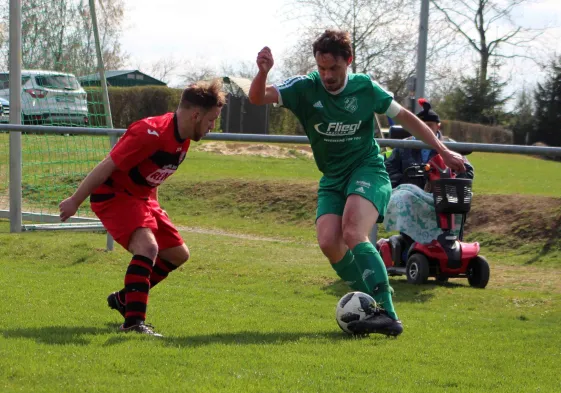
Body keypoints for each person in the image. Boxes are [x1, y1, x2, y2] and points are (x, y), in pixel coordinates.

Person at [249, 29, 467, 337]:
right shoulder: (304, 88)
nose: (327, 75)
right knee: (328, 241)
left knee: (352, 231)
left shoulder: (365, 88)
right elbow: (257, 97)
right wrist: (262, 72)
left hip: (368, 171)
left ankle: (387, 314)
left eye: (334, 68)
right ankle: (371, 305)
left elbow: (406, 117)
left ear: (348, 61)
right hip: (333, 179)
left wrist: (442, 149)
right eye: (321, 68)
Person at [59, 79, 226, 337]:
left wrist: (154, 205)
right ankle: (133, 323)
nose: (212, 127)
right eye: (211, 120)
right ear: (195, 115)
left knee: (178, 254)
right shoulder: (150, 132)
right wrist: (74, 200)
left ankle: (125, 299)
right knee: (148, 248)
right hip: (114, 195)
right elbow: (107, 165)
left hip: (140, 198)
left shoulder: (183, 138)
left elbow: (154, 172)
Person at [383, 99, 475, 261]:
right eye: (421, 126)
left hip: (442, 196)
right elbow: (389, 166)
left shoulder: (449, 147)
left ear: (438, 127)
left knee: (455, 205)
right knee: (405, 197)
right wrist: (403, 182)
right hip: (413, 197)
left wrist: (452, 181)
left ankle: (447, 248)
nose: (424, 130)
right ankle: (409, 248)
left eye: (429, 126)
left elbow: (467, 171)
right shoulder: (403, 146)